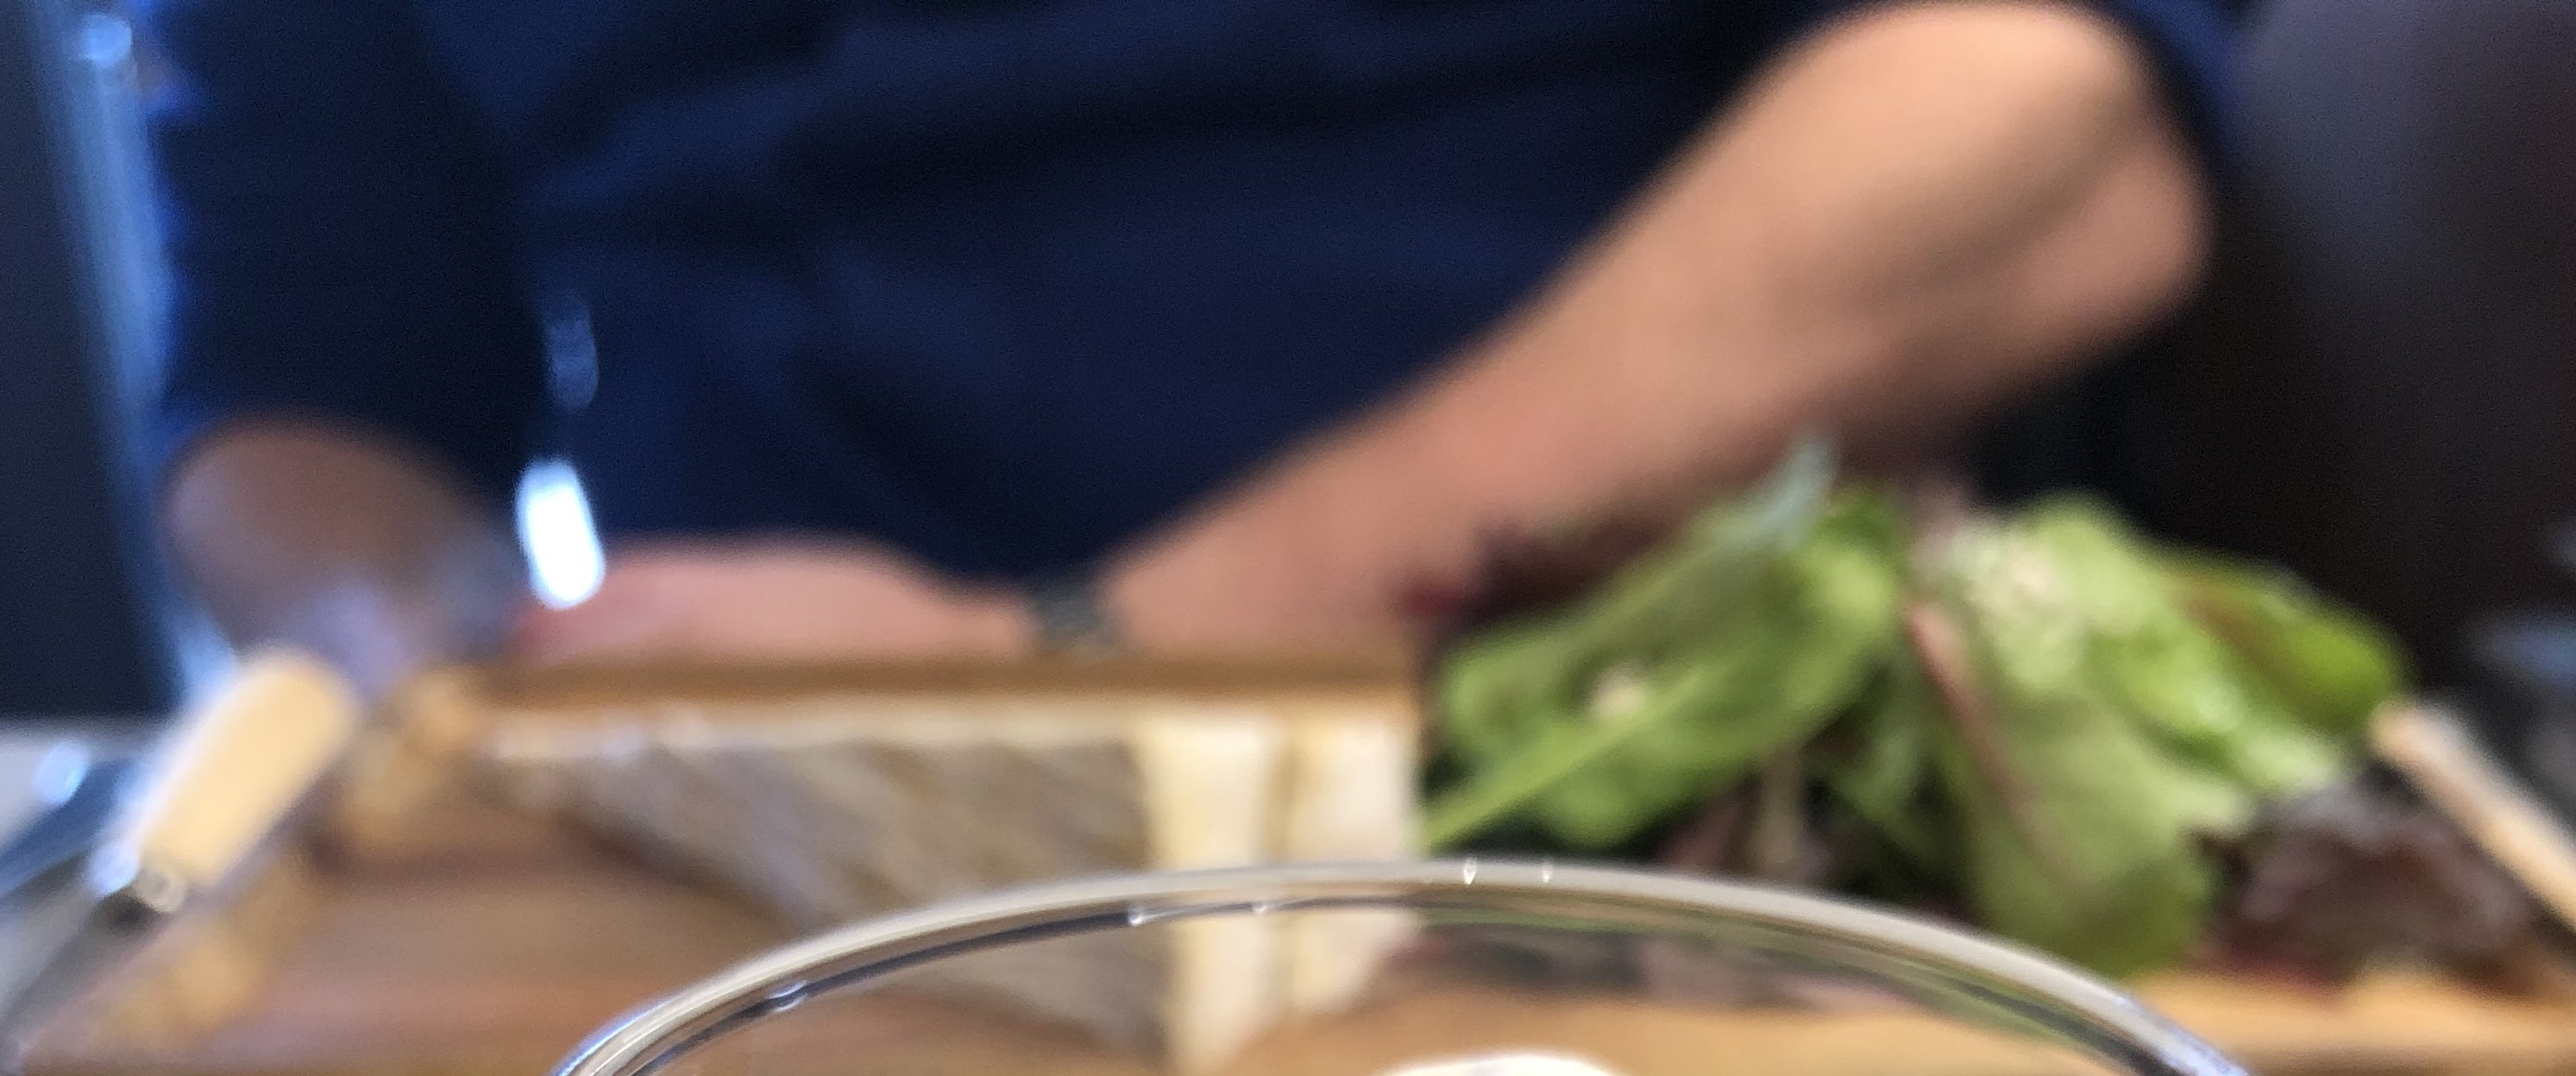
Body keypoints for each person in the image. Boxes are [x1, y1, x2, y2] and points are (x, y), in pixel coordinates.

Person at [141, 0, 2239, 687]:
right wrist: (452, 673)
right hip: (733, 898)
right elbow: (296, 380)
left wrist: (1085, 656)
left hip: (1607, 764)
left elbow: (2041, 112)